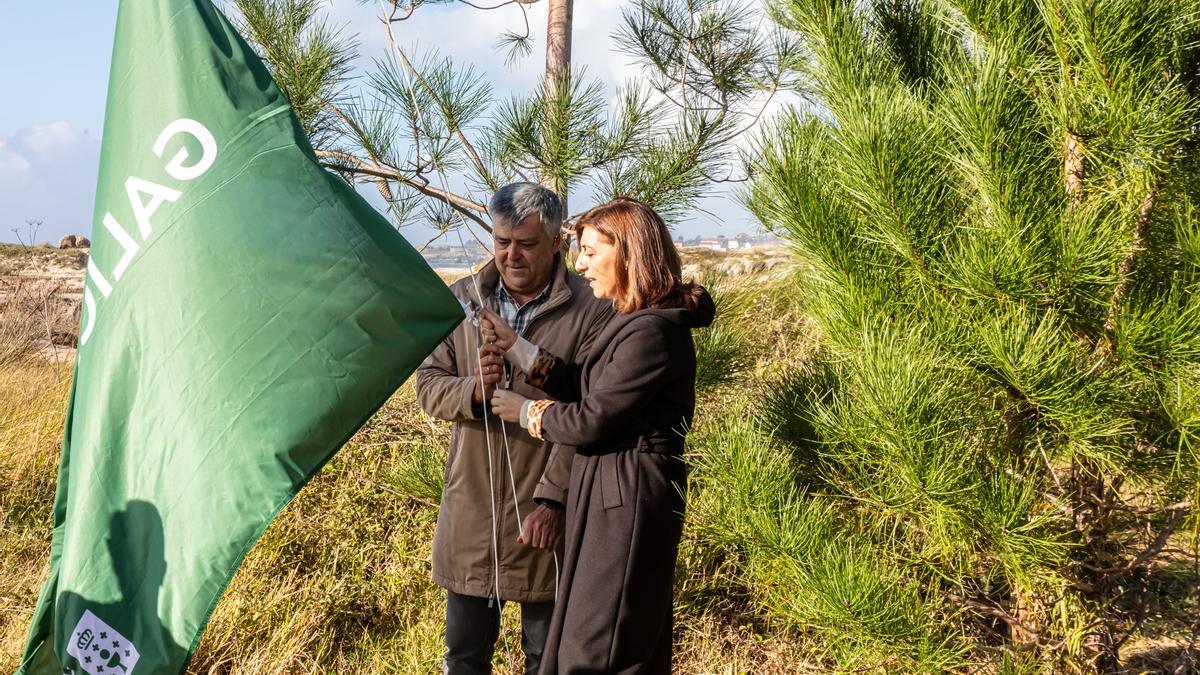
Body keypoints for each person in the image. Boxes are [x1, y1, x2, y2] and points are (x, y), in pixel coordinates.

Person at [484, 197, 715, 674]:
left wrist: (527, 412)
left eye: (591, 251)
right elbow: (587, 385)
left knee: (603, 644)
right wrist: (520, 351)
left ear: (628, 253)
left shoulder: (652, 333)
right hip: (611, 489)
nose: (580, 263)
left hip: (627, 494)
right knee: (603, 635)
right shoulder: (631, 322)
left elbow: (593, 416)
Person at [414, 182, 612, 675]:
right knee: (463, 659)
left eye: (526, 244)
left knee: (548, 660)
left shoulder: (593, 308)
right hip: (471, 514)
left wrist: (552, 501)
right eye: (502, 242)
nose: (511, 255)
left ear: (556, 243)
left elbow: (592, 413)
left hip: (545, 516)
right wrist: (475, 392)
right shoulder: (461, 300)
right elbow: (427, 388)